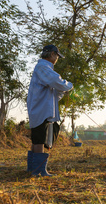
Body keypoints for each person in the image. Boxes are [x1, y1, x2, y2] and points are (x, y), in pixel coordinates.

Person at [26, 45, 73, 176]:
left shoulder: (43, 68)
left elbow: (54, 90)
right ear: (52, 54)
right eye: (57, 56)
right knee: (39, 139)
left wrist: (63, 89)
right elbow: (55, 81)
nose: (57, 58)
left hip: (40, 108)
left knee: (37, 138)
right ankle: (39, 171)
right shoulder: (43, 67)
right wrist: (68, 85)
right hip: (41, 108)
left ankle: (33, 168)